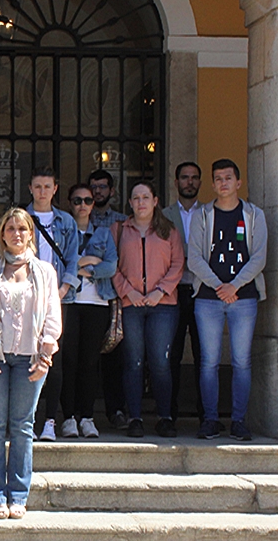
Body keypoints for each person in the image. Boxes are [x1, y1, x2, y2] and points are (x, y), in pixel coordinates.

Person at [0, 208, 61, 520]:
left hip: (31, 358)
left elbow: (51, 315)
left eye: (22, 229)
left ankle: (18, 495)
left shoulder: (45, 272)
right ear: (2, 235)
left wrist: (46, 355)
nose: (17, 234)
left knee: (22, 427)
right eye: (11, 229)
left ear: (30, 234)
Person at [188, 159, 267, 441]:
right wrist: (218, 285)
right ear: (212, 184)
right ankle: (210, 420)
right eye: (218, 178)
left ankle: (239, 421)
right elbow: (194, 257)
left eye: (228, 177)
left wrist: (234, 285)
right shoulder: (203, 215)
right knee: (209, 361)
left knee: (241, 361)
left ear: (238, 182)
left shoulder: (254, 215)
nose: (223, 182)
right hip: (208, 298)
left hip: (244, 297)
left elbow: (259, 257)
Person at [111, 181, 184, 438]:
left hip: (163, 305)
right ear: (130, 203)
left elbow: (178, 264)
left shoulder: (169, 231)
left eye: (145, 197)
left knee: (160, 362)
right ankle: (135, 418)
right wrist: (127, 291)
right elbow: (111, 265)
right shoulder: (119, 230)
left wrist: (160, 291)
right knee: (133, 362)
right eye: (136, 198)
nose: (141, 202)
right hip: (130, 304)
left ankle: (164, 417)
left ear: (155, 201)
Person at [57, 184, 117, 439]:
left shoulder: (103, 233)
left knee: (90, 363)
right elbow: (58, 266)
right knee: (68, 361)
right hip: (68, 302)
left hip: (97, 303)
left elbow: (111, 267)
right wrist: (89, 262)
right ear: (70, 203)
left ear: (94, 204)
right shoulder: (62, 230)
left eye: (88, 200)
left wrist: (79, 268)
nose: (83, 205)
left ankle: (87, 416)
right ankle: (69, 417)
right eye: (77, 200)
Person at [26, 168, 79, 441]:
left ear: (55, 189)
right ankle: (29, 420)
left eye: (47, 186)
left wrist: (63, 289)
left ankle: (49, 421)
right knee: (27, 359)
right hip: (26, 298)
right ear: (30, 188)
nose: (42, 191)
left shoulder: (66, 222)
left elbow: (72, 259)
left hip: (59, 298)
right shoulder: (22, 219)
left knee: (52, 361)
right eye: (38, 186)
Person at [90, 168, 129, 431]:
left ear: (112, 191)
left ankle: (117, 410)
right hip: (88, 296)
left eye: (103, 187)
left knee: (116, 358)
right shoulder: (78, 219)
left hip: (116, 295)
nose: (98, 192)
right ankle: (84, 414)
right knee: (86, 359)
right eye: (94, 187)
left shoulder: (124, 222)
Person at [163, 162, 203, 421]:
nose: (189, 182)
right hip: (173, 292)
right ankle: (169, 415)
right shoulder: (163, 215)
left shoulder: (210, 213)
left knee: (204, 355)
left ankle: (204, 415)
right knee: (171, 354)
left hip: (202, 292)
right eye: (185, 178)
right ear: (175, 182)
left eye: (194, 178)